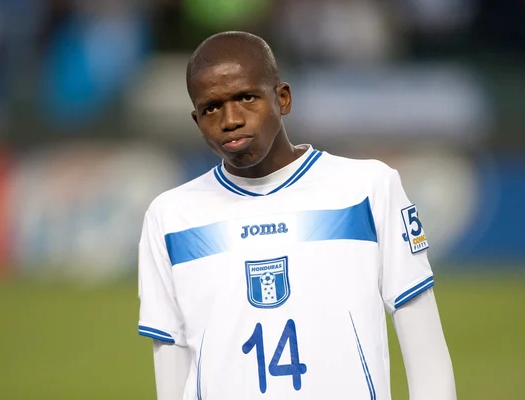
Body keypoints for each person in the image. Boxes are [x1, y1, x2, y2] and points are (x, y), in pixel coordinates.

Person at [138, 31, 456, 400]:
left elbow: (427, 355)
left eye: (246, 97)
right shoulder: (171, 217)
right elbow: (171, 373)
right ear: (196, 120)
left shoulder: (367, 189)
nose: (230, 119)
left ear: (283, 98)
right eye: (212, 107)